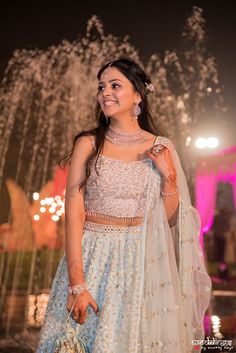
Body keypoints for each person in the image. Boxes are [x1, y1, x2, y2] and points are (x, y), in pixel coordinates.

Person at [37, 58, 212, 353]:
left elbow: (168, 220)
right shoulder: (89, 144)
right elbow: (75, 214)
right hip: (94, 256)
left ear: (138, 96)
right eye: (101, 87)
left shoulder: (161, 147)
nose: (105, 92)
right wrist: (77, 284)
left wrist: (169, 179)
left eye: (115, 85)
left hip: (141, 260)